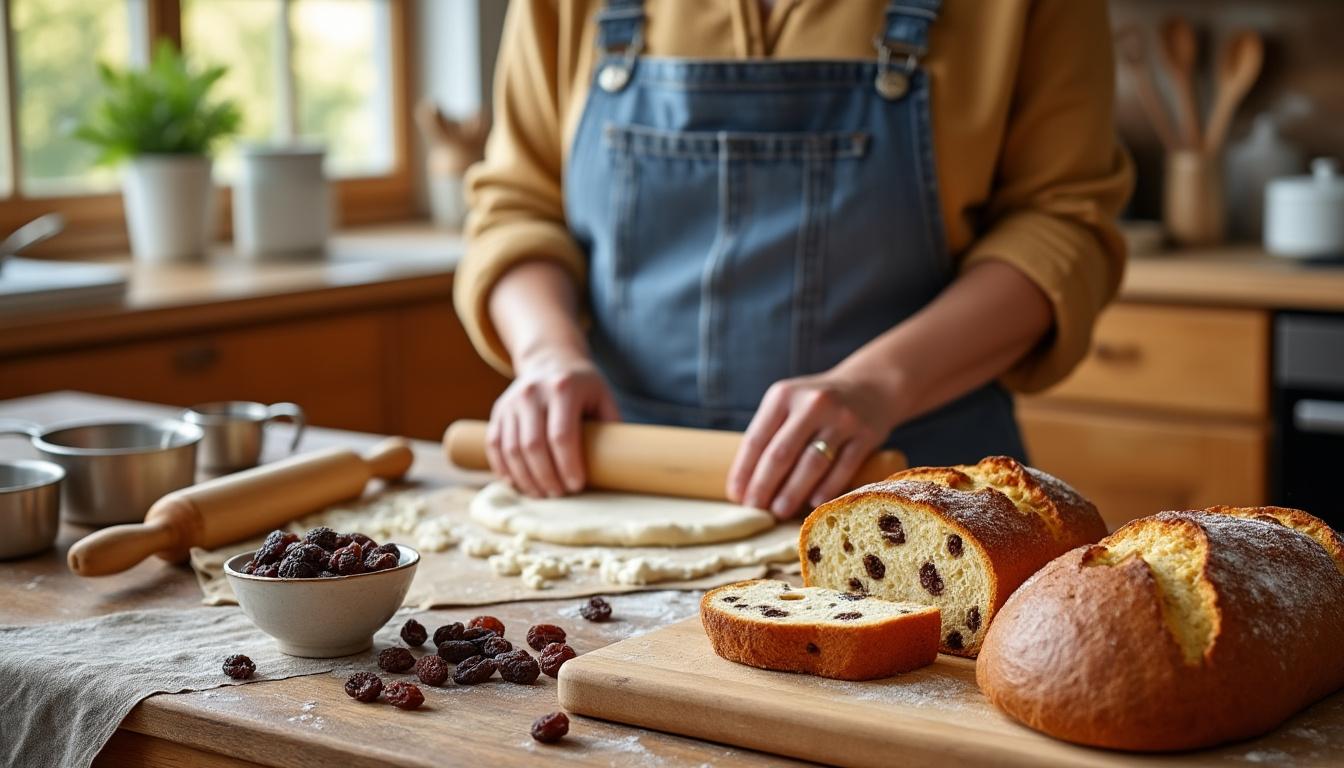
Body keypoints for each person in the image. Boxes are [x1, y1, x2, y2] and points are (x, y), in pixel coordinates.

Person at [455, 0, 1132, 518]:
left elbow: (1061, 226)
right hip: (615, 479)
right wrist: (547, 353)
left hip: (915, 488)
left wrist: (877, 385)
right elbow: (519, 203)